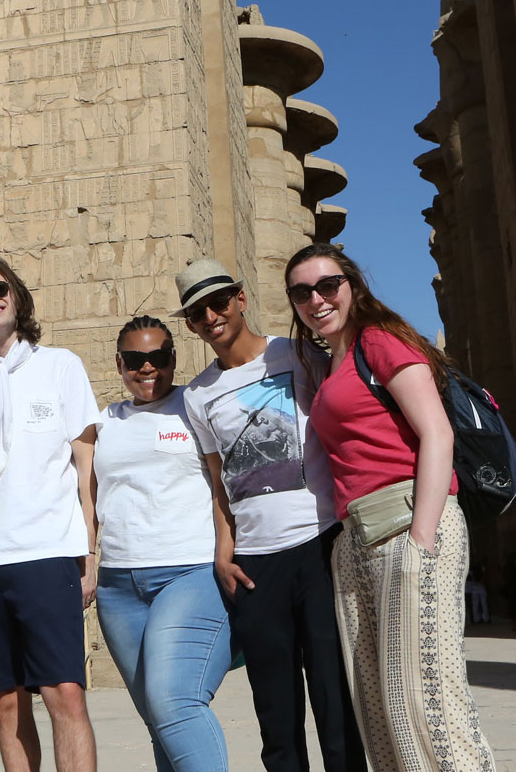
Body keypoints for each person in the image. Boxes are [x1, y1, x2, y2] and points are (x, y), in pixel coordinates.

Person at [285, 243, 498, 771]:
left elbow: (436, 432)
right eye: (301, 292)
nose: (316, 299)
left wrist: (422, 538)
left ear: (352, 284)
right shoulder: (329, 361)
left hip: (409, 521)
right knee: (379, 711)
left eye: (327, 285)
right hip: (356, 539)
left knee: (426, 700)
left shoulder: (379, 341)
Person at [174, 259, 366, 772]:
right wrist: (223, 552)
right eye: (197, 312)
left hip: (319, 544)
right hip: (256, 564)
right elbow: (218, 481)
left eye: (218, 302)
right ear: (190, 324)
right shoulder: (197, 395)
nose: (211, 316)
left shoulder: (296, 352)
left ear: (239, 298)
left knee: (334, 696)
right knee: (275, 714)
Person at [0, 256, 101, 772]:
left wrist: (90, 550)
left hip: (45, 550)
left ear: (17, 295)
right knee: (6, 703)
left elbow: (85, 463)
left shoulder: (61, 365)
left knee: (64, 694)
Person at [89, 315, 234, 772]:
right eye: (136, 359)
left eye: (159, 357)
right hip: (118, 587)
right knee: (157, 719)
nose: (148, 368)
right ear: (119, 363)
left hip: (189, 573)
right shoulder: (102, 422)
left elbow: (225, 484)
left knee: (175, 703)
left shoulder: (195, 407)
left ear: (174, 359)